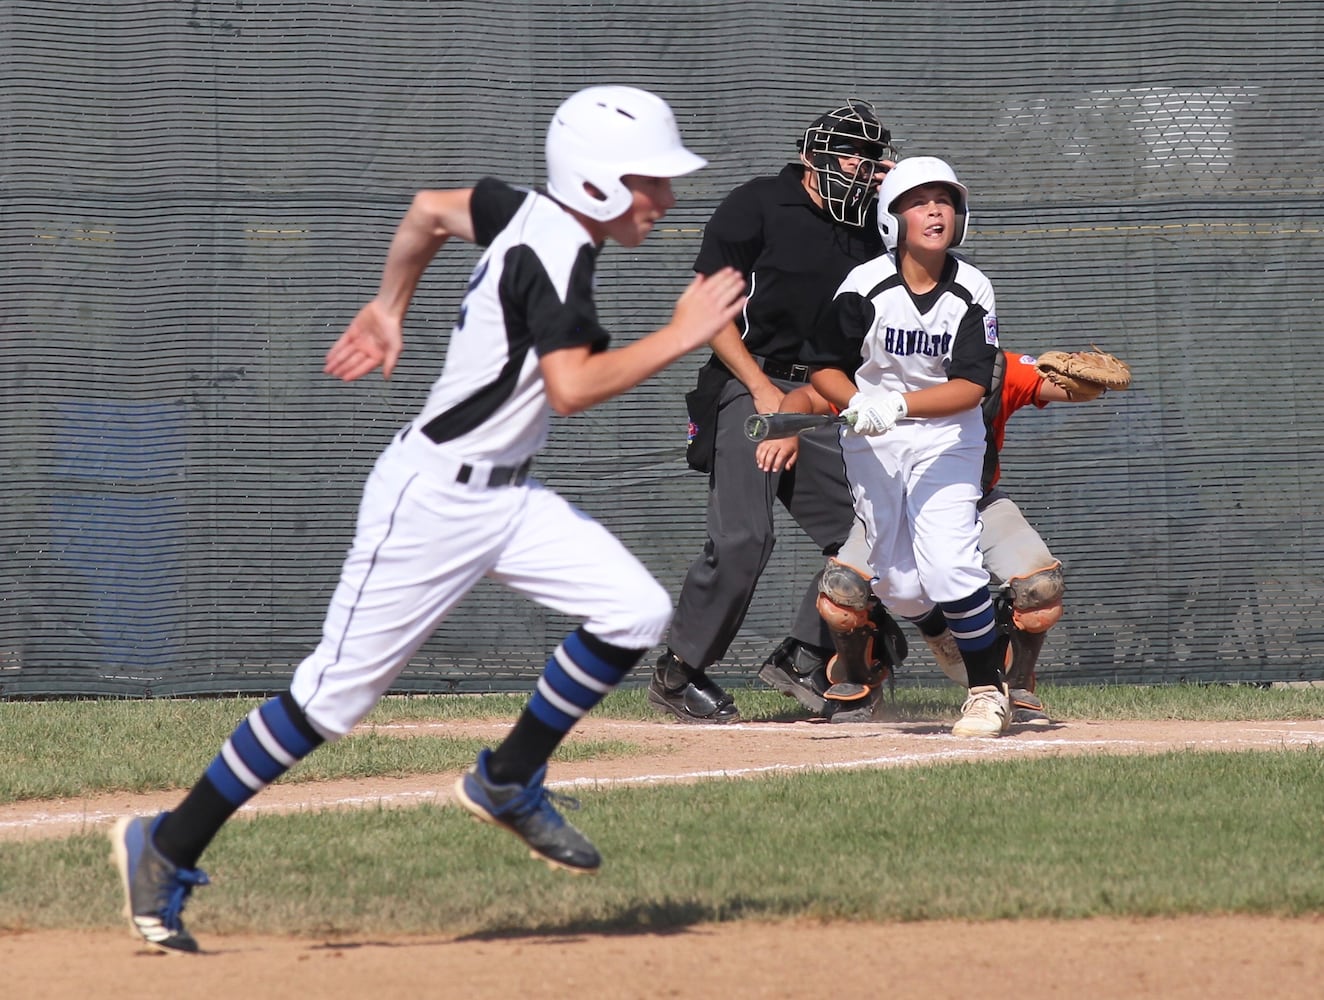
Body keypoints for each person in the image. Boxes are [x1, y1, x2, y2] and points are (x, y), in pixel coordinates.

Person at [108, 85, 747, 954]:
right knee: (331, 700)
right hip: (431, 502)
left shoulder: (521, 209)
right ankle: (165, 845)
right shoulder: (554, 256)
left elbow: (428, 212)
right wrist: (681, 334)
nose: (664, 201)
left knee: (633, 610)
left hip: (505, 496)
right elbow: (572, 386)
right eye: (648, 182)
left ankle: (508, 779)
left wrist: (389, 306)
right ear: (594, 183)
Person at [648, 100, 898, 725]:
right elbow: (710, 311)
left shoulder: (874, 225)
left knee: (871, 534)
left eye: (871, 162)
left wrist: (900, 186)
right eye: (852, 157)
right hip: (750, 380)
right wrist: (764, 393)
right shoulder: (758, 202)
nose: (861, 171)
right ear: (813, 157)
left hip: (825, 396)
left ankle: (802, 655)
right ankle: (678, 672)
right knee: (745, 536)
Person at [767, 346, 1120, 725]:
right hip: (892, 511)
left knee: (1041, 589)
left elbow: (1062, 386)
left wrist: (1087, 383)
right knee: (842, 590)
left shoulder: (991, 366)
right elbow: (808, 395)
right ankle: (859, 682)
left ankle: (1015, 684)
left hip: (974, 503)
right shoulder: (878, 370)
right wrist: (788, 423)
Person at [804, 154, 1012, 738]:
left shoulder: (972, 289)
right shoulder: (864, 286)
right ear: (892, 219)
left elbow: (971, 387)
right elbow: (823, 367)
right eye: (918, 202)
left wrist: (895, 404)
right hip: (872, 441)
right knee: (896, 584)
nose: (934, 211)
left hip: (946, 437)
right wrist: (853, 404)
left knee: (948, 562)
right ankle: (944, 631)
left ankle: (985, 689)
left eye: (944, 201)